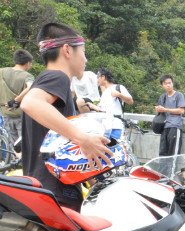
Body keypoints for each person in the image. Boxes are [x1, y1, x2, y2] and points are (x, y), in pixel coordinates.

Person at [20, 22, 112, 212]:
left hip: (44, 188)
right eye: (83, 52)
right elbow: (30, 103)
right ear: (67, 50)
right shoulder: (57, 77)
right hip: (55, 191)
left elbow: (57, 142)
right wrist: (83, 138)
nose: (86, 60)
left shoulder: (45, 79)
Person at [1, 50, 35, 143]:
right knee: (25, 143)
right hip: (22, 115)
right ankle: (24, 157)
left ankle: (17, 157)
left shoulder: (1, 72)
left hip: (6, 113)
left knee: (14, 144)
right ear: (27, 63)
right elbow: (31, 86)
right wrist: (16, 100)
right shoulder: (27, 76)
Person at [155, 74, 185, 156]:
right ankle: (163, 169)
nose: (168, 85)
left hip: (174, 126)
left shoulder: (179, 95)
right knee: (163, 154)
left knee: (173, 154)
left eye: (170, 83)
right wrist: (159, 109)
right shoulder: (162, 97)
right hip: (164, 127)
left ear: (172, 83)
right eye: (165, 83)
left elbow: (181, 110)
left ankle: (173, 169)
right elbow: (161, 113)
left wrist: (166, 109)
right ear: (162, 85)